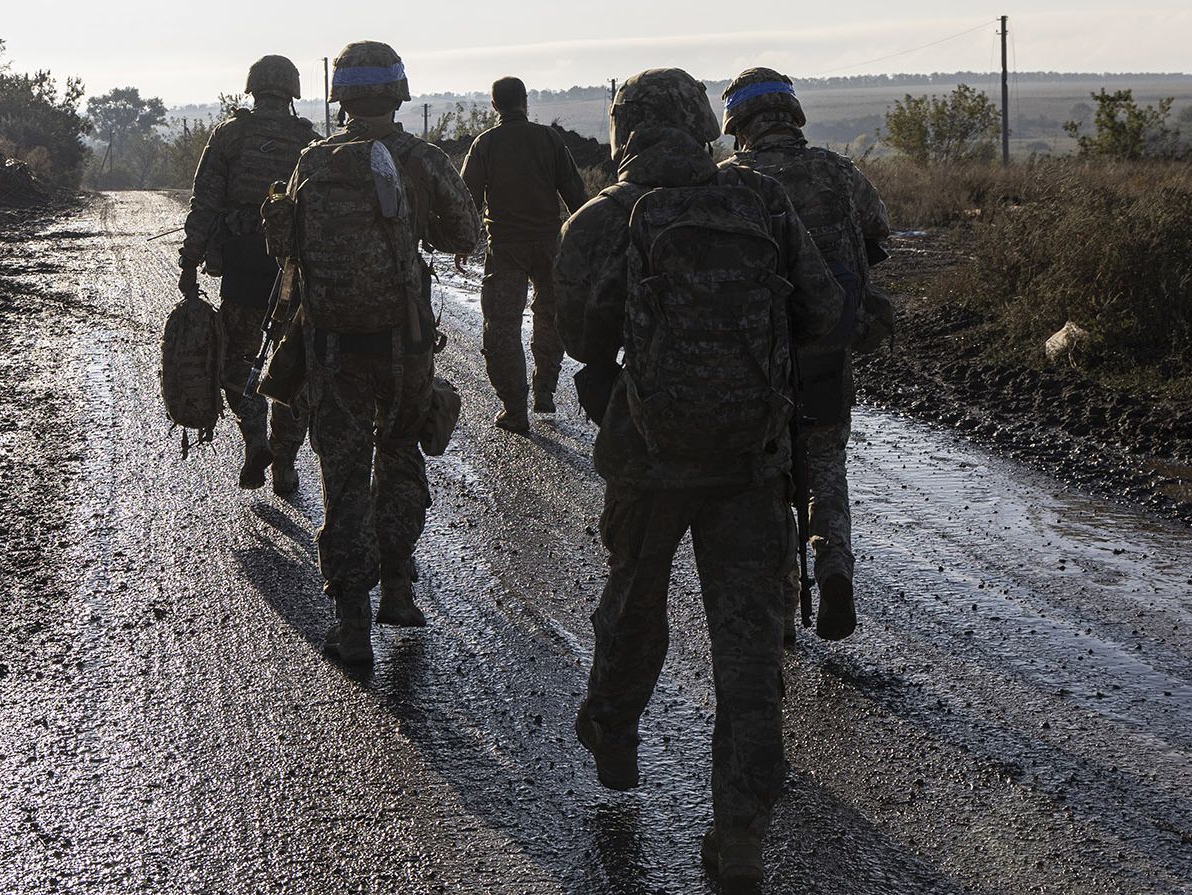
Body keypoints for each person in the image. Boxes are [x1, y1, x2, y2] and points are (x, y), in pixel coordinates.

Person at [552, 68, 842, 893]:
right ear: (698, 125)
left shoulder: (604, 217)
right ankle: (741, 834)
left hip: (646, 459)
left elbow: (578, 334)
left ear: (624, 130)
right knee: (748, 651)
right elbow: (824, 311)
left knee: (635, 602)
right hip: (750, 460)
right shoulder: (759, 202)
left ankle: (614, 732)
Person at [283, 41, 479, 666]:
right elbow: (467, 236)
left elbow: (288, 250)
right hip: (406, 344)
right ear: (397, 91)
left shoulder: (312, 161)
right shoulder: (421, 158)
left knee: (342, 480)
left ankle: (353, 627)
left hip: (334, 345)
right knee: (398, 455)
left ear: (341, 96)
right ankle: (398, 588)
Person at [717, 68, 893, 643]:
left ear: (737, 123)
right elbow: (878, 234)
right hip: (828, 345)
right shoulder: (838, 170)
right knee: (825, 463)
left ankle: (783, 603)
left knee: (768, 476)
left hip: (755, 359)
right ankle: (834, 564)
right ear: (792, 116)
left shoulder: (727, 182)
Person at [178, 55, 321, 495]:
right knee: (292, 365)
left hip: (241, 264)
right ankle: (285, 466)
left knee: (239, 359)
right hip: (292, 272)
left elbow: (205, 204)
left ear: (253, 88)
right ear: (292, 91)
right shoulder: (309, 143)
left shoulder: (229, 136)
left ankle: (255, 439)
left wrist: (190, 260)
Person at [458, 76, 589, 432]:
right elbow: (575, 193)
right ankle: (544, 388)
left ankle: (514, 410)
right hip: (550, 243)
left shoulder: (485, 144)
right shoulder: (549, 139)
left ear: (494, 105)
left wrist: (462, 242)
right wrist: (586, 243)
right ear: (525, 102)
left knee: (502, 326)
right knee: (549, 315)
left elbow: (465, 199)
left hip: (505, 247)